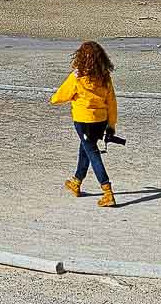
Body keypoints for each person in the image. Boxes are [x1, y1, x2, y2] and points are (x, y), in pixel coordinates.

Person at [50, 40, 118, 208]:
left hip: (83, 121)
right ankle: (76, 181)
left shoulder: (77, 76)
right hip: (100, 121)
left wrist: (55, 99)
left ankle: (107, 191)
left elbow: (60, 96)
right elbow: (112, 101)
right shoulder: (105, 77)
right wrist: (111, 124)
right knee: (85, 149)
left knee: (92, 152)